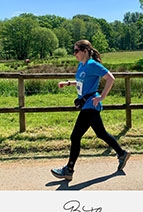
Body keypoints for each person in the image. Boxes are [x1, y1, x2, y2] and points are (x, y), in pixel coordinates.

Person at [51, 40, 130, 181]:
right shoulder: (81, 65)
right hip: (87, 105)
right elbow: (83, 82)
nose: (74, 54)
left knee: (75, 137)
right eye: (74, 51)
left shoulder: (93, 64)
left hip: (90, 105)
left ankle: (69, 170)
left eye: (76, 51)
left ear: (85, 51)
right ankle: (122, 154)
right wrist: (68, 83)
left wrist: (102, 97)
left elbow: (110, 78)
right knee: (101, 133)